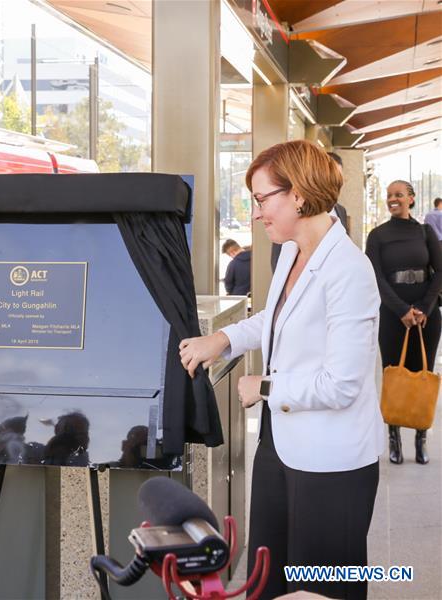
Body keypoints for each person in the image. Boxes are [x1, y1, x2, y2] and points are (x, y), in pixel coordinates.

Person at [179, 140, 383, 599]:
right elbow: (275, 317)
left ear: (299, 195)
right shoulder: (290, 253)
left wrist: (263, 386)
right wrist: (223, 339)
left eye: (261, 198)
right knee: (268, 580)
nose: (256, 213)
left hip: (331, 462)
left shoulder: (350, 271)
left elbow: (343, 384)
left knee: (322, 587)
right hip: (279, 446)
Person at [365, 180, 442, 465]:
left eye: (398, 195)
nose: (392, 199)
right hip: (393, 315)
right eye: (389, 196)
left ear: (411, 198)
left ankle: (421, 438)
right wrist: (401, 311)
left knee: (423, 374)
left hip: (427, 316)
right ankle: (394, 438)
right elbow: (376, 278)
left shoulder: (425, 232)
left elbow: (439, 272)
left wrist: (423, 308)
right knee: (393, 375)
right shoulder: (377, 235)